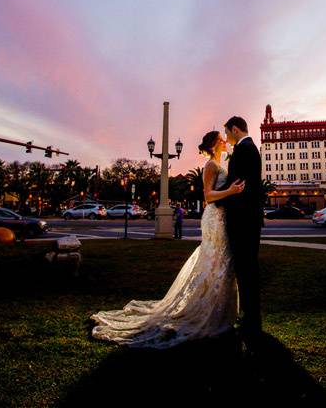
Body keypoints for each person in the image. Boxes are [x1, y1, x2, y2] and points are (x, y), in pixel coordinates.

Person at [88, 130, 245, 349]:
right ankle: (207, 312)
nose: (225, 140)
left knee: (221, 262)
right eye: (221, 138)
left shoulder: (221, 164)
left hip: (222, 217)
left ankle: (220, 312)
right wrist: (231, 191)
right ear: (214, 143)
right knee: (216, 261)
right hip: (213, 219)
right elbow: (208, 197)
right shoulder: (210, 165)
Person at [218, 116, 264, 349]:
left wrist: (218, 197)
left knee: (246, 269)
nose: (226, 137)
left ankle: (251, 320)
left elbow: (239, 187)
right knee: (247, 269)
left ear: (235, 130)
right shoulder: (248, 149)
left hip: (243, 221)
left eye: (227, 133)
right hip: (247, 220)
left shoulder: (245, 150)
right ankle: (251, 318)